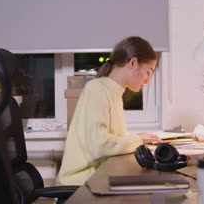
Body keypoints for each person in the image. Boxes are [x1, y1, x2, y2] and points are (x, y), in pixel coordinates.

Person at [56, 36, 163, 185]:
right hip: (80, 184)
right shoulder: (97, 89)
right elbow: (100, 147)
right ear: (133, 63)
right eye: (148, 72)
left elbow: (110, 140)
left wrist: (137, 138)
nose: (147, 81)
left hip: (98, 177)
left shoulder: (114, 92)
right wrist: (137, 139)